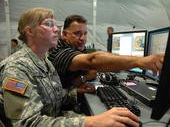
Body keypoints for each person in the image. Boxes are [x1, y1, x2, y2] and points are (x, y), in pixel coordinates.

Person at [0, 7, 140, 127]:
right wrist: (90, 122)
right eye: (49, 24)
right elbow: (28, 123)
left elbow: (54, 96)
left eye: (55, 25)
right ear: (30, 31)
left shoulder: (44, 61)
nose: (56, 29)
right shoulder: (16, 68)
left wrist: (75, 93)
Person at [48, 14, 163, 91]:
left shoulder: (75, 49)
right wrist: (140, 61)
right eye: (77, 33)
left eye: (85, 33)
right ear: (64, 34)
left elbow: (92, 60)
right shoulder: (61, 53)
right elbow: (92, 61)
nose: (83, 38)